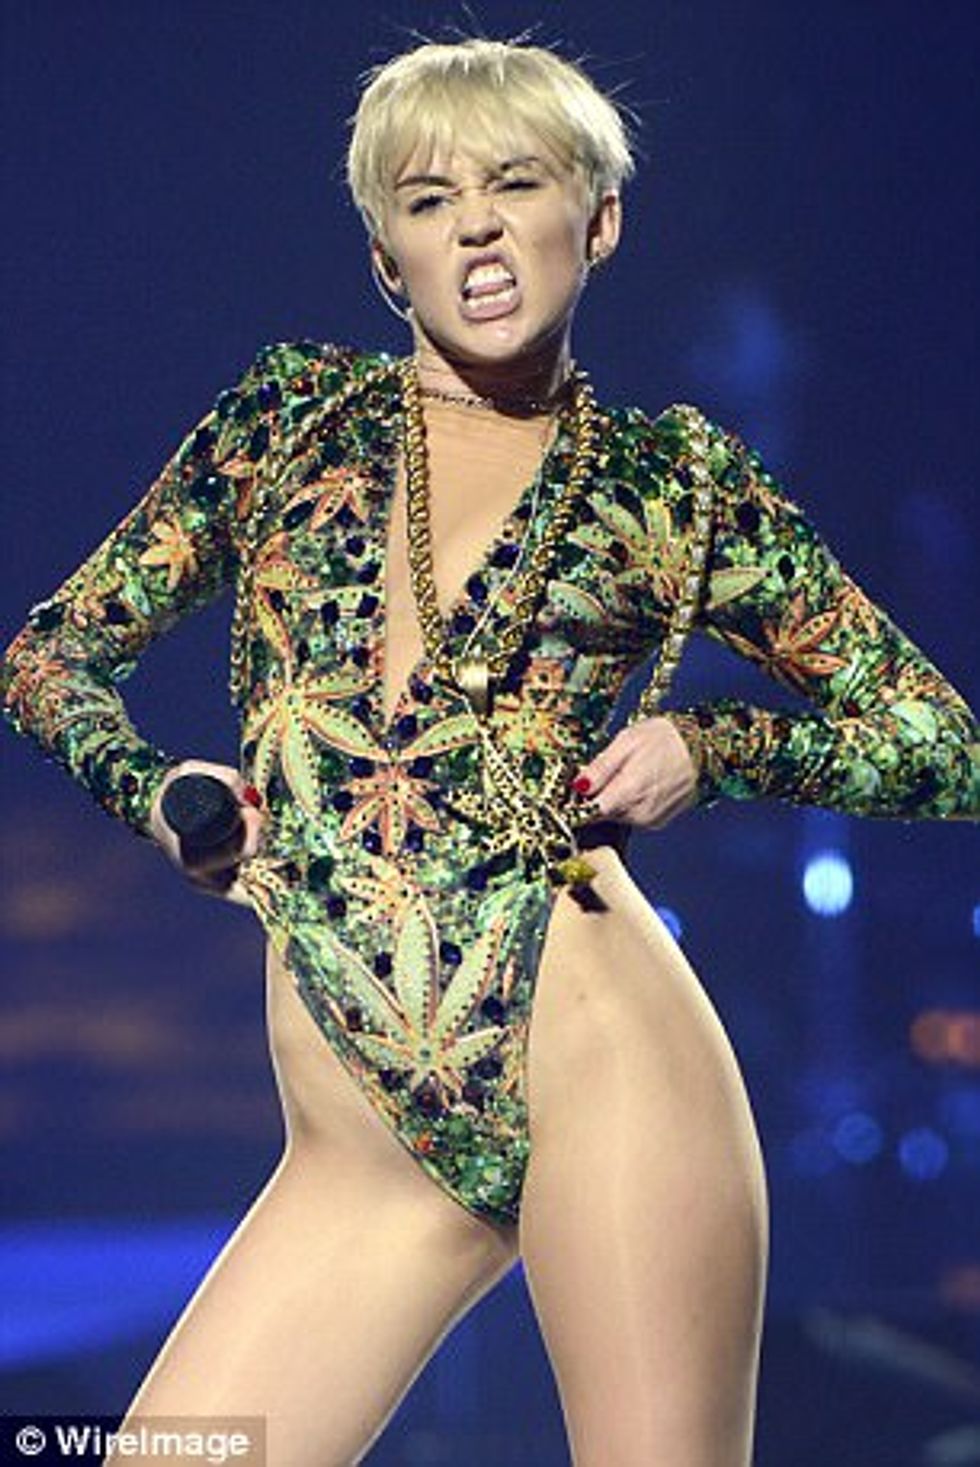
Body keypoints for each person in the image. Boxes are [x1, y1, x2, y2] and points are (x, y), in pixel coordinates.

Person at [2, 33, 976, 1467]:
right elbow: (48, 656)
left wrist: (713, 746)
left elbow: (944, 744)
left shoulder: (672, 485)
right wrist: (160, 790)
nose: (474, 225)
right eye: (427, 198)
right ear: (386, 258)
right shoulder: (285, 427)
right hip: (363, 1145)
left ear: (599, 220)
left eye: (514, 184)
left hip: (611, 1078)